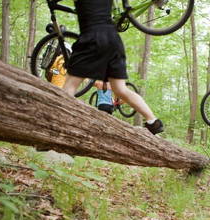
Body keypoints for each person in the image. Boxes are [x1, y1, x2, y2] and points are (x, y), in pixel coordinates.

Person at [62, 0, 164, 135]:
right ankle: (153, 121)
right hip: (114, 40)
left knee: (69, 86)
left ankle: (59, 127)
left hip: (92, 37)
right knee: (121, 89)